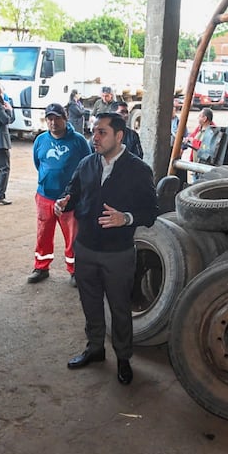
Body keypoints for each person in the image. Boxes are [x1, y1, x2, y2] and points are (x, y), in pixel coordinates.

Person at [56, 112, 158, 385]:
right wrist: (65, 201)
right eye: (93, 131)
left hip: (118, 254)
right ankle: (95, 348)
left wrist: (125, 218)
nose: (95, 137)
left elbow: (151, 211)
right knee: (90, 302)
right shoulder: (88, 163)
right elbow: (73, 191)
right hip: (86, 248)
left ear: (119, 136)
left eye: (101, 132)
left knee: (120, 308)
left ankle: (123, 358)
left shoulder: (138, 170)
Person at [28, 103, 91, 285]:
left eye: (57, 118)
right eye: (50, 118)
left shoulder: (78, 141)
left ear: (65, 119)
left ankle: (75, 270)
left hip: (69, 200)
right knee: (43, 233)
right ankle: (41, 267)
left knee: (73, 236)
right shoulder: (40, 140)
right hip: (44, 196)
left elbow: (87, 167)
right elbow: (38, 164)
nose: (53, 122)